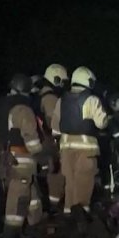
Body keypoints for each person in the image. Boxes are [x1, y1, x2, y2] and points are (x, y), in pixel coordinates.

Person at [0, 74, 46, 238]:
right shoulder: (23, 108)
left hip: (5, 157)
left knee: (31, 193)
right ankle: (11, 234)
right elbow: (30, 136)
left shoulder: (1, 105)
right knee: (19, 195)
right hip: (21, 157)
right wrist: (41, 155)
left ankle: (35, 223)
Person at [50, 66, 109, 212]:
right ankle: (81, 215)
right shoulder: (92, 100)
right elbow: (101, 123)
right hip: (86, 149)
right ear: (88, 81)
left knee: (70, 182)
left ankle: (68, 212)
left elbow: (55, 128)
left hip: (65, 149)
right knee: (83, 182)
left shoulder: (61, 100)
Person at [37, 63, 68, 211]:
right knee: (56, 174)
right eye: (62, 81)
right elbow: (52, 122)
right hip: (49, 141)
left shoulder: (41, 95)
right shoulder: (50, 98)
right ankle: (53, 206)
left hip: (42, 140)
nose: (63, 85)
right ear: (55, 80)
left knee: (46, 173)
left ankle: (49, 204)